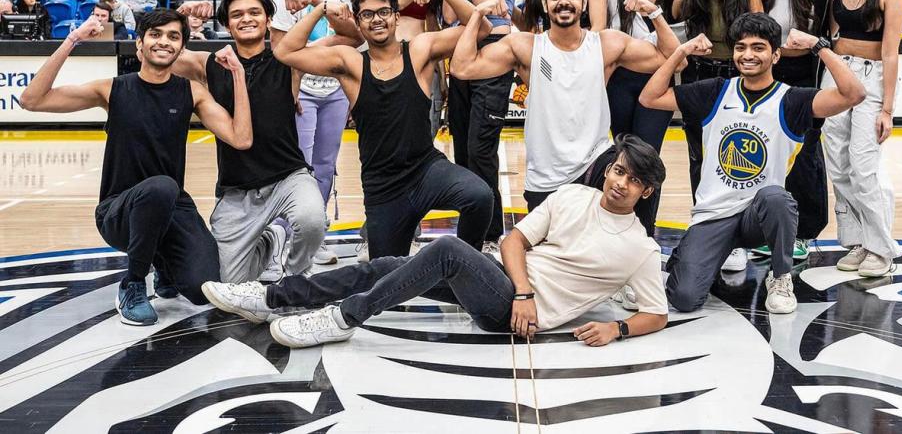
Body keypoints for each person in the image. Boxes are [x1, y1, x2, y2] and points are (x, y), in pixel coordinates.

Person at [203, 133, 669, 349]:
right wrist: (524, 288)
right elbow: (513, 242)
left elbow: (657, 313)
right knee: (386, 264)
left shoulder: (641, 248)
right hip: (509, 287)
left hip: (514, 314)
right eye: (618, 170)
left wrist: (617, 328)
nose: (620, 183)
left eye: (634, 180)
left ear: (646, 191)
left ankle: (344, 318)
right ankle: (272, 296)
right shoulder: (573, 196)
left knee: (444, 249)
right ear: (609, 169)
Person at [20, 9, 252, 325]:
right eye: (155, 35)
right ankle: (132, 284)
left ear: (181, 47)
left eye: (173, 36)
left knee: (203, 290)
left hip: (171, 208)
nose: (164, 42)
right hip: (118, 213)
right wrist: (73, 39)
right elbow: (32, 100)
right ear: (139, 44)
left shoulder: (191, 91)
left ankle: (163, 265)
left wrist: (238, 74)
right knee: (161, 186)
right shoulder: (112, 89)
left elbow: (240, 138)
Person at [640, 13, 866, 313]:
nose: (748, 55)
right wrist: (681, 51)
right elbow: (649, 97)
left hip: (759, 217)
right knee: (683, 298)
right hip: (714, 214)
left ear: (775, 55)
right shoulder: (715, 91)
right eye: (741, 47)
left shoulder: (791, 100)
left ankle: (780, 276)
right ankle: (720, 252)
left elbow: (855, 93)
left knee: (776, 197)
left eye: (758, 48)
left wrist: (818, 46)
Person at [273, 0, 495, 259]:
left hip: (425, 171)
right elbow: (284, 51)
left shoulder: (419, 50)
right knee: (387, 273)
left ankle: (466, 264)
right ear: (358, 21)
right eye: (367, 14)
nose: (376, 20)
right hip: (383, 188)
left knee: (479, 196)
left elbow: (481, 28)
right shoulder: (349, 62)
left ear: (396, 17)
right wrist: (322, 8)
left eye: (383, 12)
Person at [452, 0, 675, 232]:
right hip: (546, 177)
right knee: (554, 260)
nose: (564, 2)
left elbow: (669, 56)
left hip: (595, 164)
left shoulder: (605, 44)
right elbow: (461, 67)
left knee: (642, 164)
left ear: (583, 2)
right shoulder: (525, 46)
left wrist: (654, 13)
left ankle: (642, 241)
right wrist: (477, 15)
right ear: (545, 5)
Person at [175, 0, 333, 280]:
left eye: (254, 12)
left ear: (268, 20)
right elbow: (161, 51)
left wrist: (320, 5)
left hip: (288, 176)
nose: (246, 19)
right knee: (227, 282)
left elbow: (350, 38)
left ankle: (296, 277)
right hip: (238, 188)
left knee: (313, 220)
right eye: (237, 15)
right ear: (226, 25)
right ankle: (270, 243)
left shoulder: (289, 59)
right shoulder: (208, 63)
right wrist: (181, 15)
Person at [269, 0, 361, 264]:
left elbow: (356, 40)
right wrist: (292, 86)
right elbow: (279, 47)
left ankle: (313, 235)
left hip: (336, 90)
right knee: (298, 166)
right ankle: (282, 235)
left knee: (325, 166)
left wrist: (309, 49)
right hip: (301, 90)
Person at [746, 0, 833, 259]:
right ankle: (771, 228)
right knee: (772, 154)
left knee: (806, 155)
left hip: (809, 75)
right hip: (771, 76)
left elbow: (831, 29)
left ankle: (805, 233)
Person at [824, 0, 902, 277]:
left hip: (871, 78)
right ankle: (858, 241)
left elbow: (891, 54)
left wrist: (887, 108)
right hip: (838, 74)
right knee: (838, 166)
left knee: (863, 166)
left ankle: (881, 248)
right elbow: (830, 36)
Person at [441, 0, 518, 252]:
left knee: (480, 149)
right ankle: (472, 227)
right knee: (461, 149)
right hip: (462, 50)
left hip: (494, 50)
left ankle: (490, 234)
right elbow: (447, 15)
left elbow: (485, 3)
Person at [676, 0, 763, 221]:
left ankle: (737, 224)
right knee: (698, 154)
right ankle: (703, 217)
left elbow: (762, 44)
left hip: (737, 79)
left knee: (736, 153)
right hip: (697, 76)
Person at [604, 0, 683, 233]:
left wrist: (652, 12)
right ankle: (615, 229)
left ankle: (645, 232)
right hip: (619, 85)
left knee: (648, 160)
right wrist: (653, 55)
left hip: (658, 86)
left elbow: (676, 55)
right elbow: (608, 46)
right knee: (621, 158)